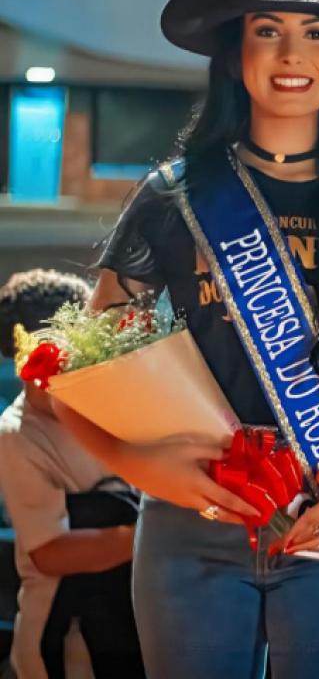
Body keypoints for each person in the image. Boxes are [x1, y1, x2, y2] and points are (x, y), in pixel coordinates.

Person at [51, 0, 319, 679]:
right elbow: (71, 376)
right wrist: (143, 468)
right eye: (267, 31)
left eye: (316, 33)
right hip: (191, 525)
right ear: (235, 54)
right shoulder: (172, 199)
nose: (291, 53)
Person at [0, 269, 144, 679]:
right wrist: (154, 534)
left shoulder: (110, 404)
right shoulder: (17, 435)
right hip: (64, 637)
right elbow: (51, 553)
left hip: (126, 621)